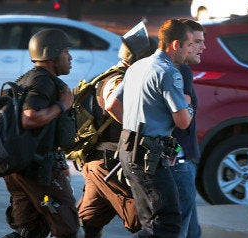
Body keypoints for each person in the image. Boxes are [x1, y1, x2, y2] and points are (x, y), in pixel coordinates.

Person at [110, 19, 194, 237]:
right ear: (176, 45)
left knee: (149, 220)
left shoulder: (137, 66)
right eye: (189, 45)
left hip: (129, 151)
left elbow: (111, 105)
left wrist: (133, 130)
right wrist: (189, 106)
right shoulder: (169, 72)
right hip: (149, 158)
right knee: (167, 222)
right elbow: (183, 122)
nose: (190, 51)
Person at [76, 22, 157, 237]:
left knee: (91, 221)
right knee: (146, 219)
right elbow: (113, 104)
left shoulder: (114, 76)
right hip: (110, 163)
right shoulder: (118, 79)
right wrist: (140, 132)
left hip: (100, 163)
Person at [3, 28, 79, 238]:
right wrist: (62, 106)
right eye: (66, 52)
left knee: (30, 230)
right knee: (67, 227)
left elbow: (47, 131)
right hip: (38, 169)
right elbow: (29, 117)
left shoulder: (26, 79)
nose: (70, 57)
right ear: (52, 54)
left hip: (22, 165)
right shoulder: (43, 81)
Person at [169, 18, 205, 238]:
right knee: (179, 231)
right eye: (197, 42)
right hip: (178, 162)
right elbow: (181, 121)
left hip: (180, 161)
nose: (203, 47)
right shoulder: (181, 71)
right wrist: (173, 150)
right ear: (183, 43)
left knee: (191, 232)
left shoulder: (159, 68)